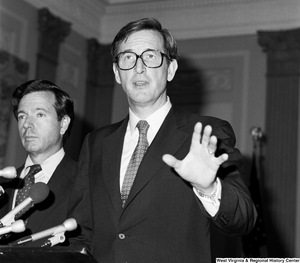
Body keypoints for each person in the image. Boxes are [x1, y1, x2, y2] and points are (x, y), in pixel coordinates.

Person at [69, 18, 257, 263]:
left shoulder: (206, 133)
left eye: (150, 56)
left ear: (170, 69)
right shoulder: (96, 142)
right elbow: (80, 232)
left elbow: (244, 218)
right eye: (128, 57)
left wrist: (208, 188)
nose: (138, 68)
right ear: (117, 73)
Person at [0, 80, 78, 247]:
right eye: (22, 116)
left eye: (40, 114)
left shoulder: (84, 181)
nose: (27, 124)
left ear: (63, 124)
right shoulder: (3, 183)